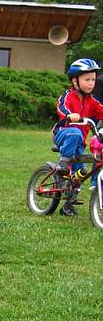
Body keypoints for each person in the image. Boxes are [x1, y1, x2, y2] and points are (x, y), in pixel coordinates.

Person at [52, 58, 103, 216]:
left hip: (79, 142)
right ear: (75, 81)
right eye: (87, 79)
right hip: (63, 134)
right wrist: (69, 115)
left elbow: (101, 110)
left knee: (80, 173)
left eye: (93, 79)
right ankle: (61, 168)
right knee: (75, 132)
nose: (91, 83)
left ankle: (68, 205)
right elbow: (61, 106)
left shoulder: (91, 101)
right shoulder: (68, 96)